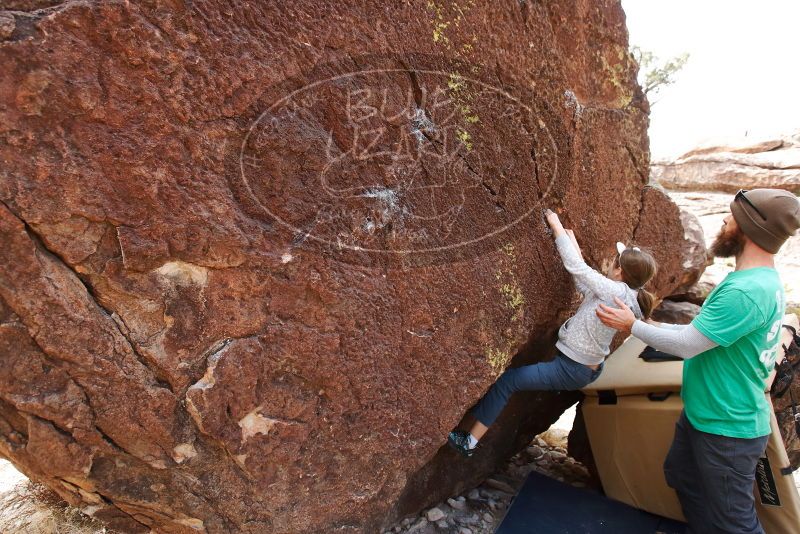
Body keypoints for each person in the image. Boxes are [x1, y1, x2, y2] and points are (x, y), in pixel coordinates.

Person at [596, 188, 800, 534]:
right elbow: (706, 337)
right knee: (682, 477)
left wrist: (633, 326)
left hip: (727, 429)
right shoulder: (760, 281)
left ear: (750, 229)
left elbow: (689, 344)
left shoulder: (745, 292)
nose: (723, 220)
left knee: (736, 522)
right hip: (706, 414)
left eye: (732, 217)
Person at [448, 209, 658, 457]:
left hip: (572, 369)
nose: (612, 262)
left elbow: (578, 269)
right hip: (581, 366)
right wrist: (573, 244)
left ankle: (469, 443)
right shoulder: (624, 295)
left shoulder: (617, 293)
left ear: (619, 272)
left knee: (509, 381)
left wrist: (556, 225)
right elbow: (583, 283)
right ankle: (470, 435)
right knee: (513, 381)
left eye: (615, 260)